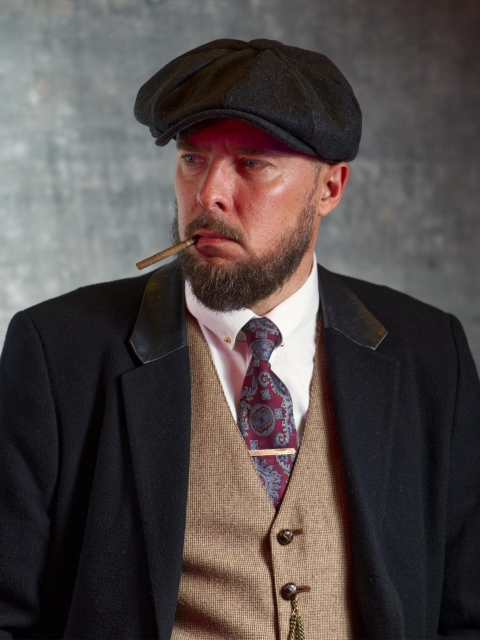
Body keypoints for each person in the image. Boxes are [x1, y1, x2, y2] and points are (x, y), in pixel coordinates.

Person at [0, 38, 479, 640]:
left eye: (252, 164)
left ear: (329, 189)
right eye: (193, 159)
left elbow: (467, 615)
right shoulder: (56, 350)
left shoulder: (431, 353)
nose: (207, 196)